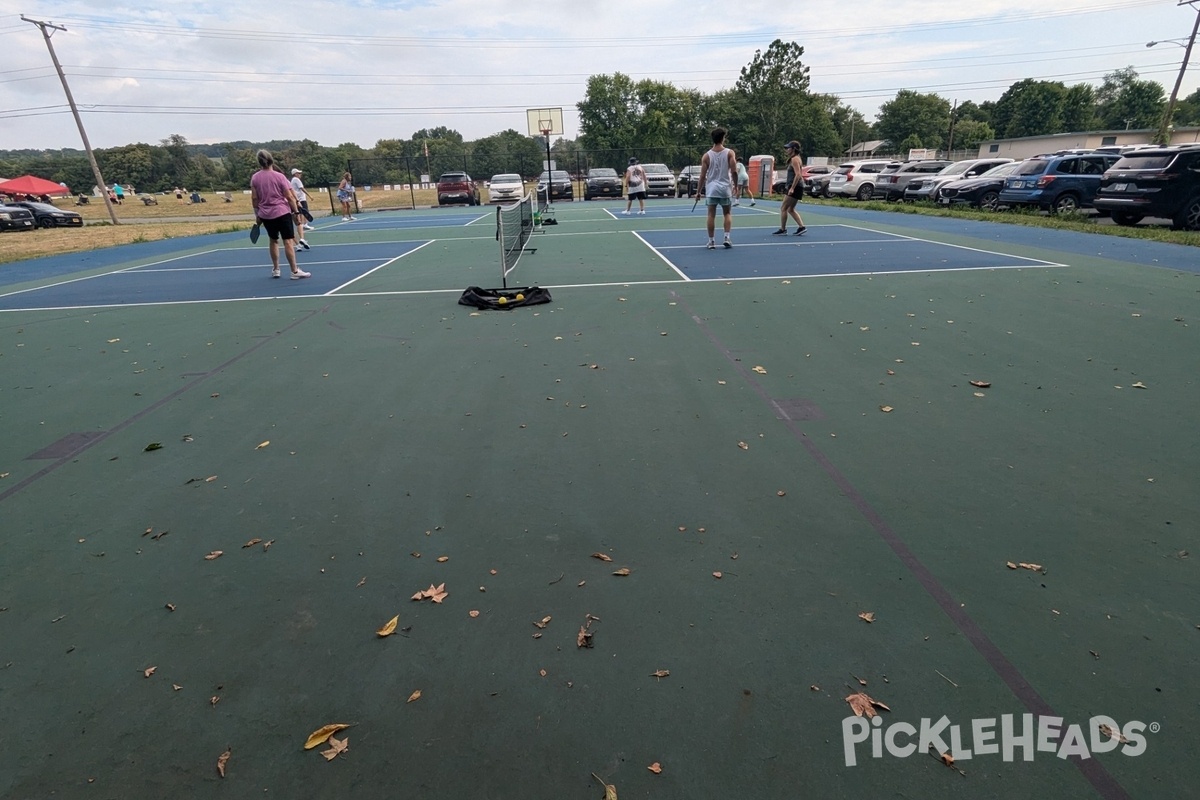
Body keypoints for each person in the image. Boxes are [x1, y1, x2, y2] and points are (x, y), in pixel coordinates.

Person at [250, 149, 310, 280]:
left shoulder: (255, 178)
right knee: (288, 241)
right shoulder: (280, 176)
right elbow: (289, 197)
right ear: (271, 160)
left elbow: (255, 199)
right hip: (282, 213)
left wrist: (257, 214)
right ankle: (294, 271)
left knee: (273, 241)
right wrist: (295, 212)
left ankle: (276, 269)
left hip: (265, 215)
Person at [697, 127, 737, 250]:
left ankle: (711, 241)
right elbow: (734, 171)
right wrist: (736, 186)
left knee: (711, 215)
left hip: (712, 189)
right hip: (725, 188)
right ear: (723, 138)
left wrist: (698, 192)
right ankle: (726, 238)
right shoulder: (730, 153)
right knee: (727, 213)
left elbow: (702, 176)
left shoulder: (706, 156)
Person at [774, 140, 808, 236]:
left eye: (788, 148)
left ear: (793, 149)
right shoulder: (795, 158)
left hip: (795, 186)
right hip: (796, 186)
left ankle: (783, 229)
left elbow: (798, 175)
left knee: (784, 208)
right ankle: (801, 227)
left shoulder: (795, 159)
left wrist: (792, 188)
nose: (786, 150)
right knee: (790, 209)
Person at [290, 168, 311, 249]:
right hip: (292, 203)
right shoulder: (294, 181)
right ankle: (302, 239)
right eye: (298, 173)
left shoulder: (291, 181)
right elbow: (291, 194)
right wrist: (297, 202)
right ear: (295, 174)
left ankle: (298, 244)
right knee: (298, 223)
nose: (300, 174)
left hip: (290, 204)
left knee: (292, 225)